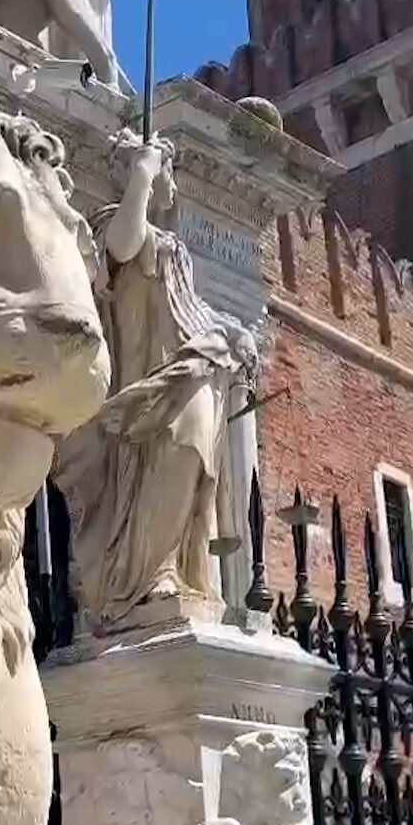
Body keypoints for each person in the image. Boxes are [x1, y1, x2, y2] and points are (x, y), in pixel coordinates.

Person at [53, 132, 258, 633]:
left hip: (190, 373)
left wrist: (231, 335)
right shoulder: (116, 226)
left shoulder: (175, 249)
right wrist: (142, 172)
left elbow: (189, 313)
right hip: (146, 389)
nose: (170, 175)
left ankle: (181, 573)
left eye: (166, 165)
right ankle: (148, 577)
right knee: (170, 455)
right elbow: (124, 244)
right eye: (165, 164)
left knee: (190, 466)